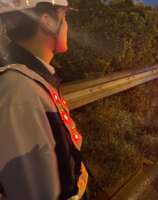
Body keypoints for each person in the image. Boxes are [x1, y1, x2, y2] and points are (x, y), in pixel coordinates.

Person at [0, 1, 89, 199]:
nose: (67, 25)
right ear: (48, 22)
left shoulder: (33, 78)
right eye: (64, 16)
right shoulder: (20, 94)